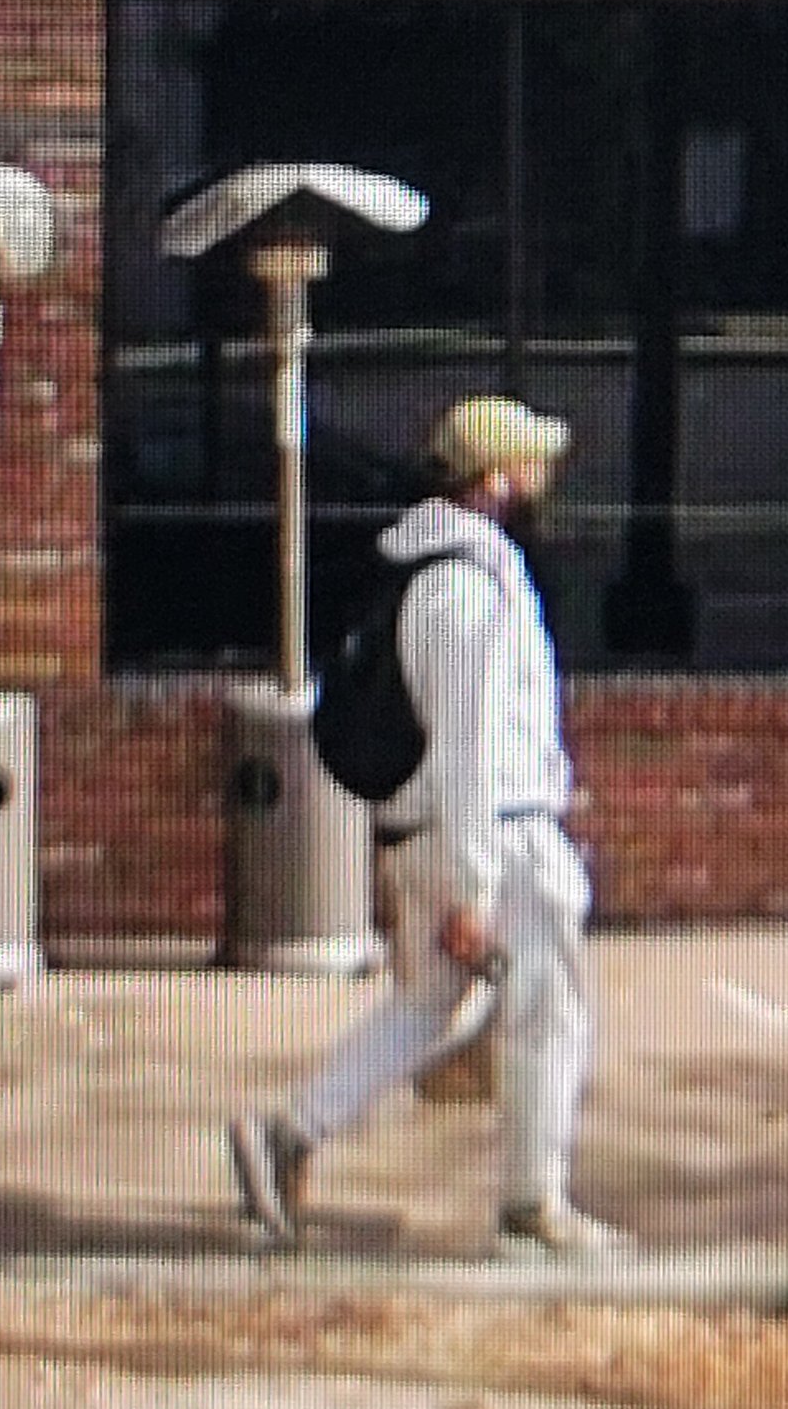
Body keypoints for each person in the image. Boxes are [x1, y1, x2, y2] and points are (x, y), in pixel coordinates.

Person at [229, 394, 626, 1258]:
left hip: (436, 832)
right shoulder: (465, 587)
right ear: (492, 480)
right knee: (547, 1012)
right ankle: (533, 1207)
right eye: (529, 465)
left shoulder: (432, 572)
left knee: (426, 1006)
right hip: (496, 837)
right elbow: (473, 746)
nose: (542, 480)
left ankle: (291, 1133)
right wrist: (475, 889)